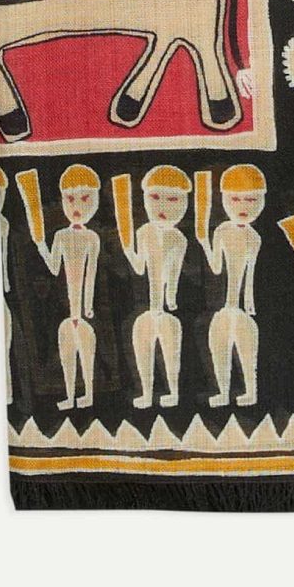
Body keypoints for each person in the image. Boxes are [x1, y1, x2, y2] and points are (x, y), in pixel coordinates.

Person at [24, 166, 102, 410]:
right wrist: (40, 245)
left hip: (81, 315)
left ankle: (89, 395)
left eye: (85, 198)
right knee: (67, 355)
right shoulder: (60, 236)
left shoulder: (92, 238)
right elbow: (54, 268)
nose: (77, 205)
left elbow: (91, 274)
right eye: (70, 199)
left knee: (86, 356)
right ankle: (70, 396)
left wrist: (88, 306)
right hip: (68, 314)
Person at [123, 165, 191, 408]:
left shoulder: (178, 239)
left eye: (173, 200)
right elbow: (139, 267)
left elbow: (173, 276)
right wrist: (127, 249)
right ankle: (146, 393)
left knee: (171, 354)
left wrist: (171, 299)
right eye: (155, 197)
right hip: (149, 311)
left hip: (163, 311)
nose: (163, 207)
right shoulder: (144, 232)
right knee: (142, 344)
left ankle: (173, 392)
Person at [200, 165, 267, 408]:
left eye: (251, 200)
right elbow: (216, 268)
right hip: (225, 308)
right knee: (219, 346)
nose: (242, 206)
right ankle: (223, 391)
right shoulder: (221, 231)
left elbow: (250, 276)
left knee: (247, 353)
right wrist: (204, 243)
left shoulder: (254, 237)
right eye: (235, 199)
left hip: (239, 309)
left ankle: (251, 392)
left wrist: (249, 305)